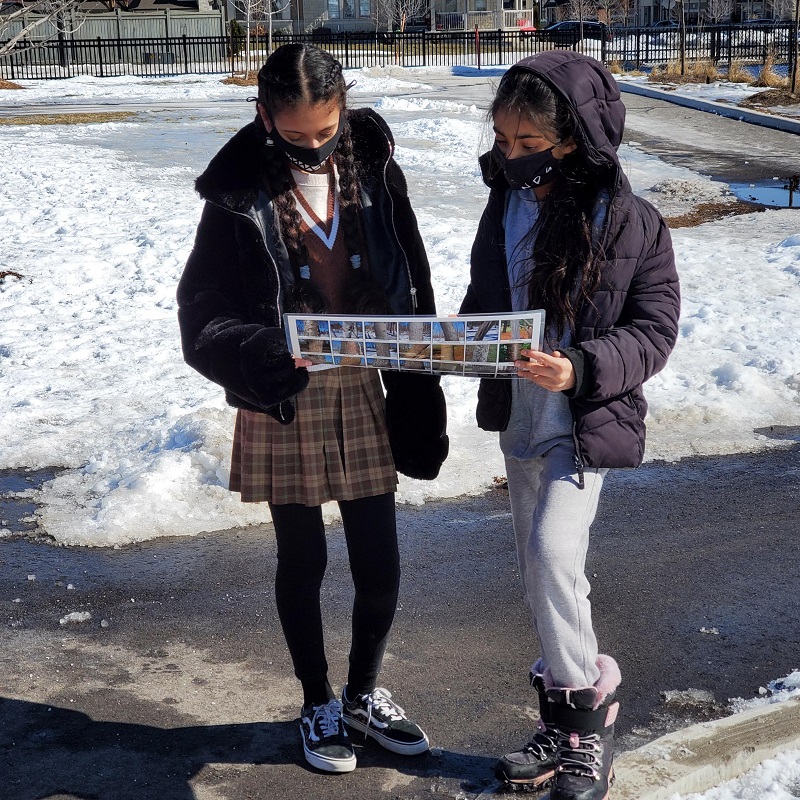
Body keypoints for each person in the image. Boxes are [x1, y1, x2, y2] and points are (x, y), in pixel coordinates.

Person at [177, 43, 448, 774]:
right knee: (304, 557)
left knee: (380, 562)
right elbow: (201, 312)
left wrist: (428, 367)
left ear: (345, 106)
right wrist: (259, 352)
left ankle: (363, 694)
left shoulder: (374, 169)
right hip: (283, 397)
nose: (312, 146)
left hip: (365, 383)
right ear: (263, 115)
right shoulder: (237, 193)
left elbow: (411, 276)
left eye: (324, 131)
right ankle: (318, 701)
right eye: (293, 135)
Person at [460, 52, 680, 799]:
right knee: (540, 573)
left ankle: (592, 722)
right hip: (519, 421)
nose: (510, 157)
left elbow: (655, 331)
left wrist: (581, 367)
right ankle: (563, 718)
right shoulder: (507, 207)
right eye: (503, 141)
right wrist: (452, 343)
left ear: (576, 137)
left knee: (555, 558)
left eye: (529, 143)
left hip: (583, 424)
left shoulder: (632, 223)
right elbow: (484, 304)